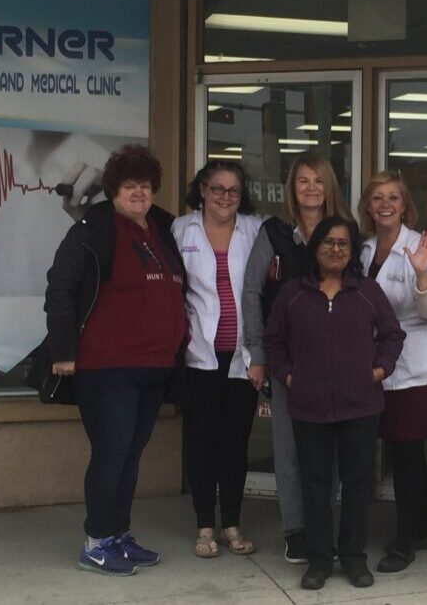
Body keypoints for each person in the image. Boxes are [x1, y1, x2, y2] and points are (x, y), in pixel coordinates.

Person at [45, 144, 187, 577]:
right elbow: (61, 287)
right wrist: (64, 351)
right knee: (112, 452)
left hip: (154, 366)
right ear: (114, 190)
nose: (139, 193)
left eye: (145, 185)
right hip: (106, 367)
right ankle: (96, 541)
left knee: (131, 454)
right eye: (130, 186)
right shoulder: (95, 227)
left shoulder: (162, 227)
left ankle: (119, 535)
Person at [264, 216, 405, 590]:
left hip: (361, 405)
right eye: (328, 242)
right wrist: (290, 376)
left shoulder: (367, 291)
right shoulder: (293, 292)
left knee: (358, 484)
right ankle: (320, 559)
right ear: (315, 248)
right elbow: (274, 341)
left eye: (344, 243)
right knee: (315, 484)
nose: (336, 249)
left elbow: (392, 335)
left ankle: (354, 558)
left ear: (352, 250)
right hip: (308, 407)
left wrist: (377, 371)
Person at [241, 152, 352, 563]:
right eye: (302, 181)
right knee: (288, 448)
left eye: (318, 180)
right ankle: (296, 530)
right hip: (287, 360)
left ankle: (324, 523)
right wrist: (257, 351)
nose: (310, 188)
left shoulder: (344, 231)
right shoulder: (274, 232)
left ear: (329, 186)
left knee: (333, 449)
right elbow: (252, 291)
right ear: (292, 188)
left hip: (338, 362)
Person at [171, 160, 266, 559]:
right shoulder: (180, 229)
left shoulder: (256, 230)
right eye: (217, 189)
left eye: (233, 191)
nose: (225, 197)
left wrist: (261, 354)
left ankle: (231, 523)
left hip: (243, 358)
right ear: (203, 191)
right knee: (201, 443)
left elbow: (263, 292)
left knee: (235, 445)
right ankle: (204, 525)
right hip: (200, 356)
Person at [358, 171, 427, 573]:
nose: (385, 204)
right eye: (377, 197)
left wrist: (423, 275)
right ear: (368, 206)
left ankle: (405, 541)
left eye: (393, 196)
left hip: (417, 366)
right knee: (396, 448)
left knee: (409, 452)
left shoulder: (422, 246)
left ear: (404, 203)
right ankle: (425, 528)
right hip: (378, 368)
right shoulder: (362, 250)